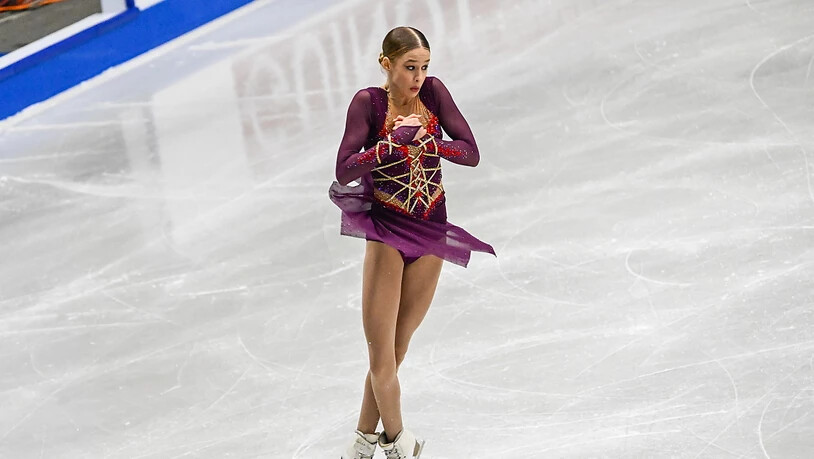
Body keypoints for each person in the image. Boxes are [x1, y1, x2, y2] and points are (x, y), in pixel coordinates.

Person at [329, 25, 496, 459]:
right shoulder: (369, 103)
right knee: (382, 353)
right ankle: (399, 442)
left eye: (423, 67)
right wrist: (387, 145)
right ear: (387, 64)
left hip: (432, 234)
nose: (418, 76)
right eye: (409, 67)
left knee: (397, 350)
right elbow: (344, 170)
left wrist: (430, 141)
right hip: (387, 235)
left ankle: (363, 443)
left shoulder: (434, 94)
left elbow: (470, 152)